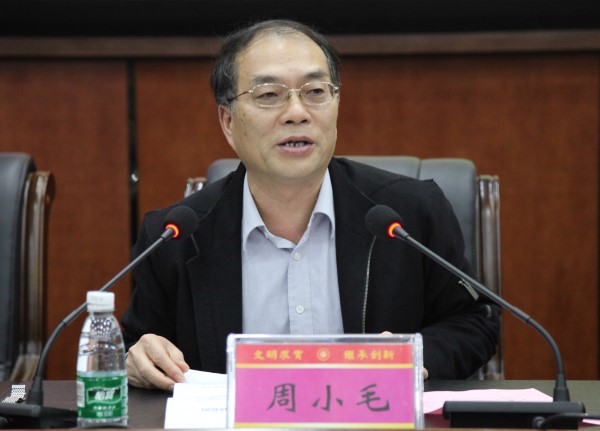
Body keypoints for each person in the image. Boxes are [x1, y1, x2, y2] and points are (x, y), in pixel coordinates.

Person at [122, 19, 500, 391]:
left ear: (336, 105)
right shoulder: (173, 238)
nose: (297, 112)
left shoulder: (410, 215)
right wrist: (137, 358)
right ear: (228, 122)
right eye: (269, 95)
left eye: (315, 91)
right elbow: (139, 347)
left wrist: (413, 356)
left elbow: (475, 320)